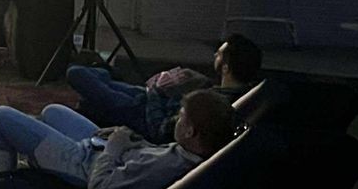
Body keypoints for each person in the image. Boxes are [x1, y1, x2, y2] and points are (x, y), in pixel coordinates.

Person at [0, 89, 236, 189]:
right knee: (52, 111)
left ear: (191, 131)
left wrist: (114, 147)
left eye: (181, 117)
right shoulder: (189, 155)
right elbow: (145, 160)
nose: (176, 121)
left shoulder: (170, 167)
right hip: (107, 153)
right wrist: (128, 139)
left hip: (85, 168)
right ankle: (40, 156)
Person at [66, 35, 263, 142]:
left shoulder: (210, 104)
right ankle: (106, 74)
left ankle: (106, 73)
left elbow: (158, 130)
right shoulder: (239, 92)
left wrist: (155, 93)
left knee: (76, 74)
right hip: (149, 100)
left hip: (140, 114)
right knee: (90, 97)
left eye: (219, 55)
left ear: (226, 67)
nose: (214, 57)